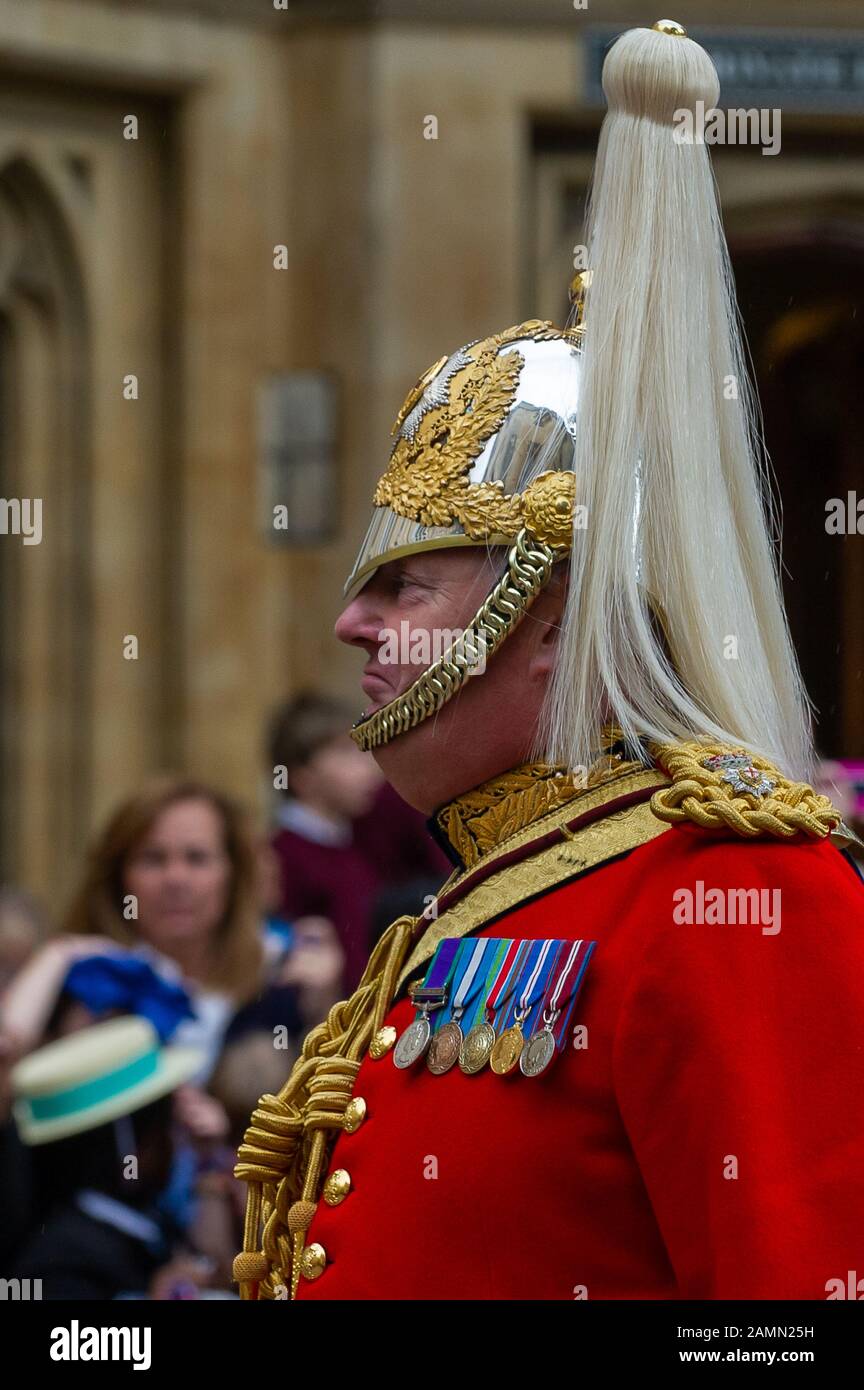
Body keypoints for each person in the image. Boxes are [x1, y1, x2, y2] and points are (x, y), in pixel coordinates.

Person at [234, 21, 864, 1302]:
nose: (356, 627)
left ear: (550, 617)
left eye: (409, 584)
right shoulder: (484, 890)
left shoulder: (734, 892)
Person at [269, 691, 448, 989]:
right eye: (344, 753)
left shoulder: (360, 837)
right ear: (302, 777)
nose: (367, 769)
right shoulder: (285, 855)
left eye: (362, 752)